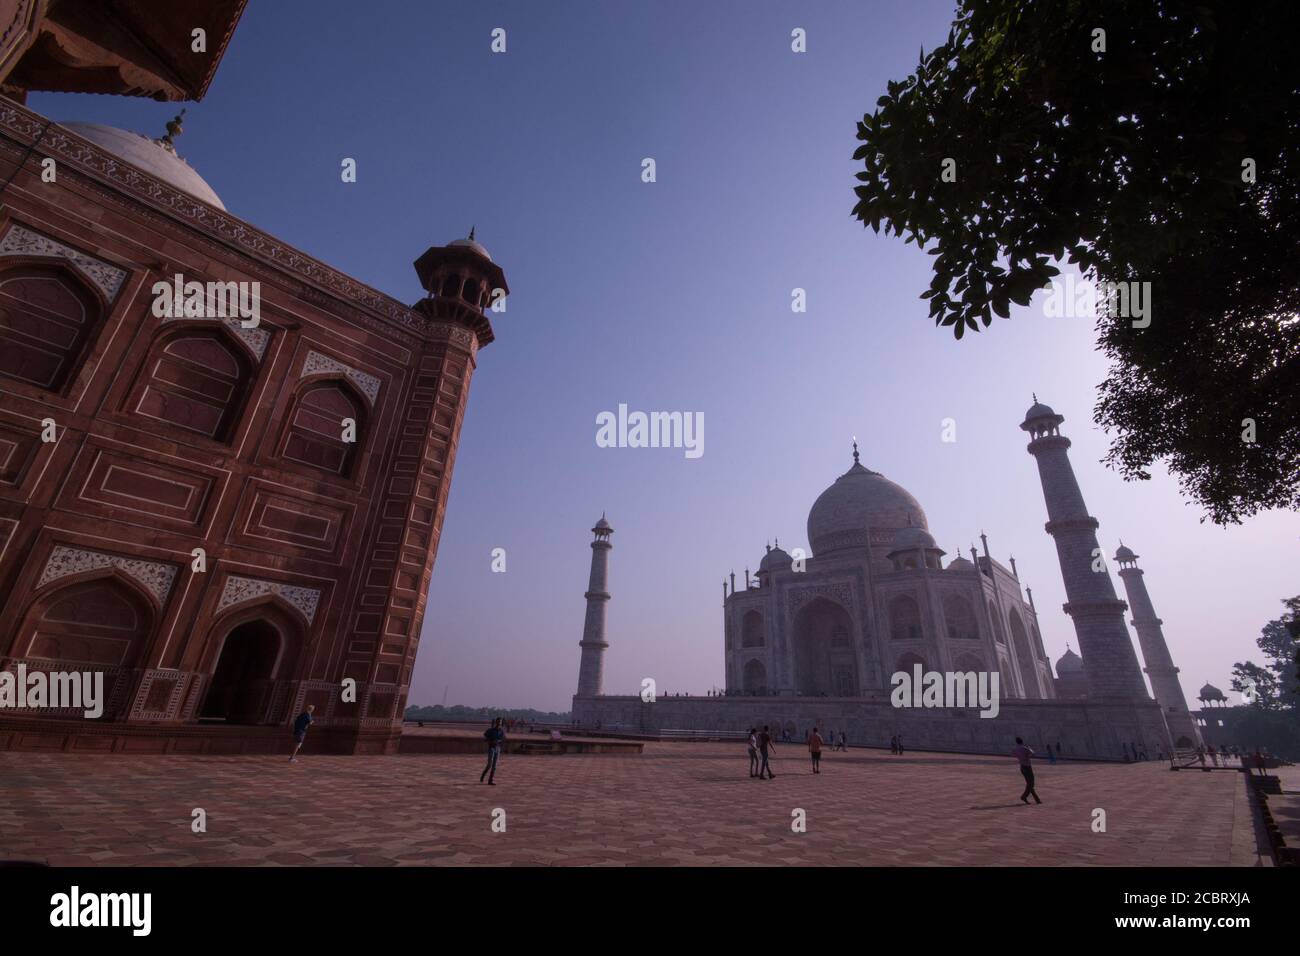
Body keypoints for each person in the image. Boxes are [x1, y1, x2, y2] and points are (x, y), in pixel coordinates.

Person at [1012, 737, 1041, 804]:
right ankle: (1024, 796)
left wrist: (1020, 757)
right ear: (1022, 741)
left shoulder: (1015, 749)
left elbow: (1013, 754)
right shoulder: (1025, 748)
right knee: (1031, 784)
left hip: (1022, 767)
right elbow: (1033, 753)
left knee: (1029, 784)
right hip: (1027, 767)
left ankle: (1037, 799)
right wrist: (1029, 749)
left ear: (1016, 742)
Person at [480, 717, 505, 785]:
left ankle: (490, 780)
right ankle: (483, 774)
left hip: (497, 748)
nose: (499, 723)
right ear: (496, 722)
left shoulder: (501, 731)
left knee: (494, 766)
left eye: (500, 721)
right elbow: (485, 737)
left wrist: (498, 741)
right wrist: (490, 741)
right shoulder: (491, 730)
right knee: (489, 764)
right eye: (498, 721)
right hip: (491, 748)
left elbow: (503, 739)